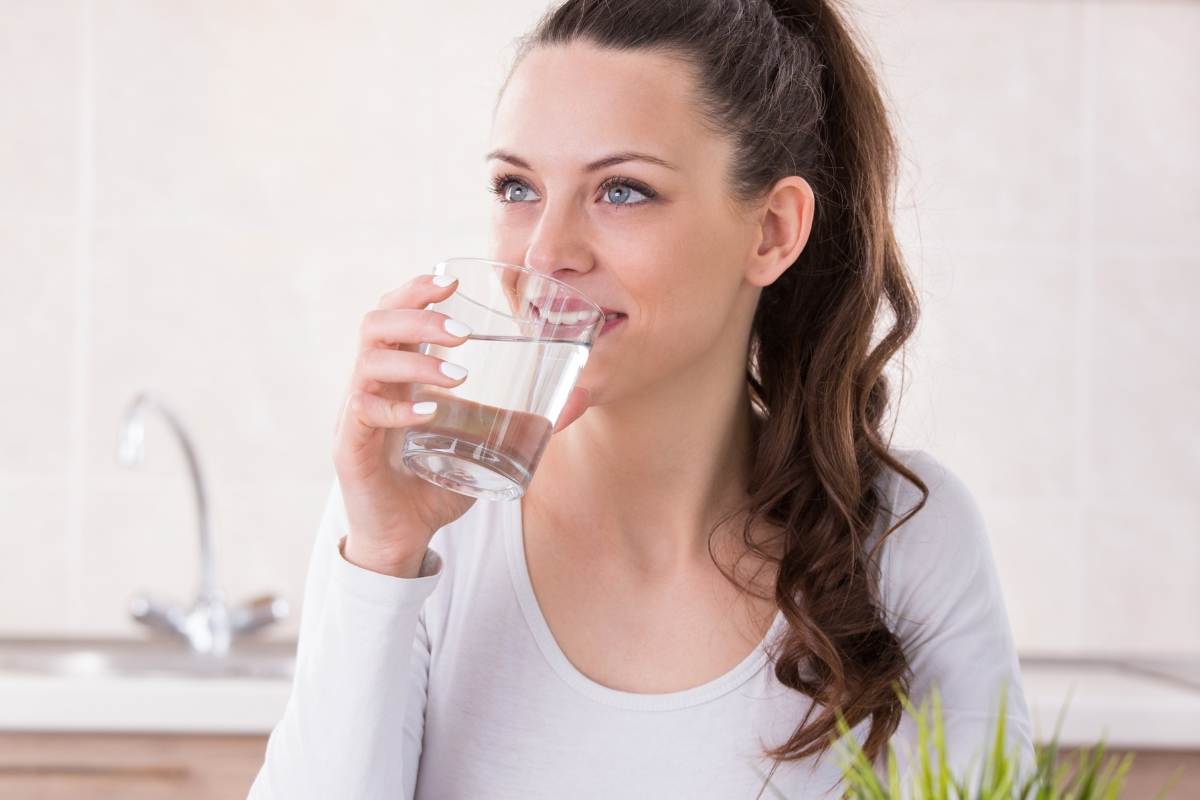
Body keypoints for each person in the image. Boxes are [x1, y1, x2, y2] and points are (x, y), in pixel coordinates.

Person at [248, 0, 1034, 797]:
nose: (546, 254)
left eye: (622, 191)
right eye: (517, 186)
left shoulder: (904, 536)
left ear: (771, 231)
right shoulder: (419, 521)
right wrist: (380, 562)